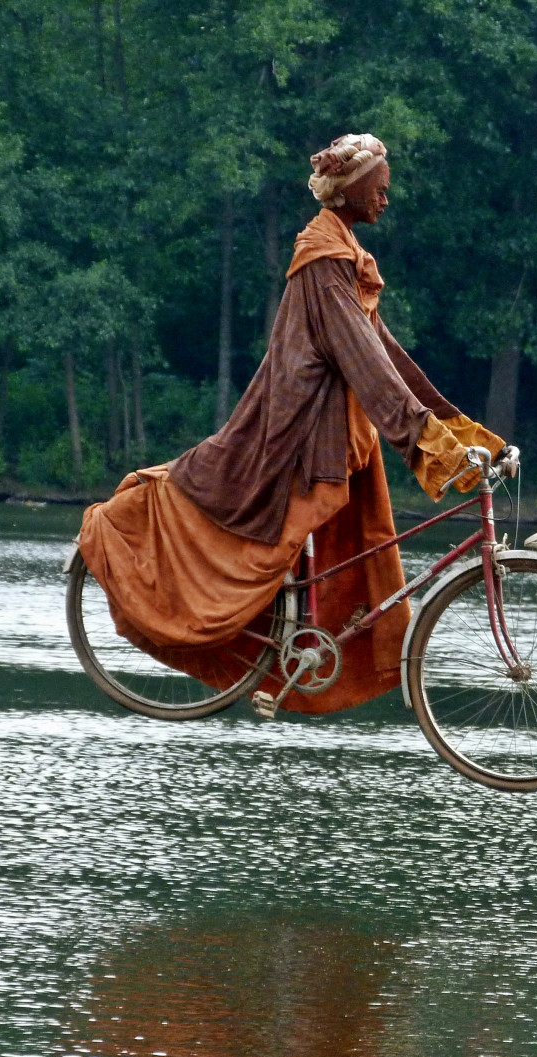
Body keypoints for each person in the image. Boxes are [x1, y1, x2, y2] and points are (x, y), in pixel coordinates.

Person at [77, 133, 506, 714]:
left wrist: (466, 434)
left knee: (351, 547)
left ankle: (295, 644)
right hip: (302, 436)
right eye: (379, 190)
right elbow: (367, 366)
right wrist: (430, 443)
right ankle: (267, 644)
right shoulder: (326, 264)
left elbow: (391, 358)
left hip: (333, 436)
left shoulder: (342, 253)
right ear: (350, 193)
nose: (386, 199)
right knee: (260, 540)